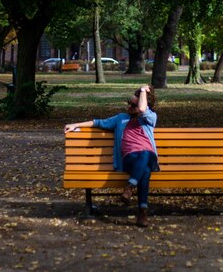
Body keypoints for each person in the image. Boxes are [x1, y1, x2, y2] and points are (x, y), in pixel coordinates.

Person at [65, 84, 158, 227]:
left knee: (146, 153)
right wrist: (76, 124)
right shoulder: (121, 118)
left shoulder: (149, 118)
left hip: (149, 157)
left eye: (133, 104)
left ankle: (130, 187)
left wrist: (144, 90)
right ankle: (142, 211)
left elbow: (142, 109)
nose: (129, 106)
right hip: (130, 158)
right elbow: (98, 122)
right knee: (145, 171)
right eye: (129, 102)